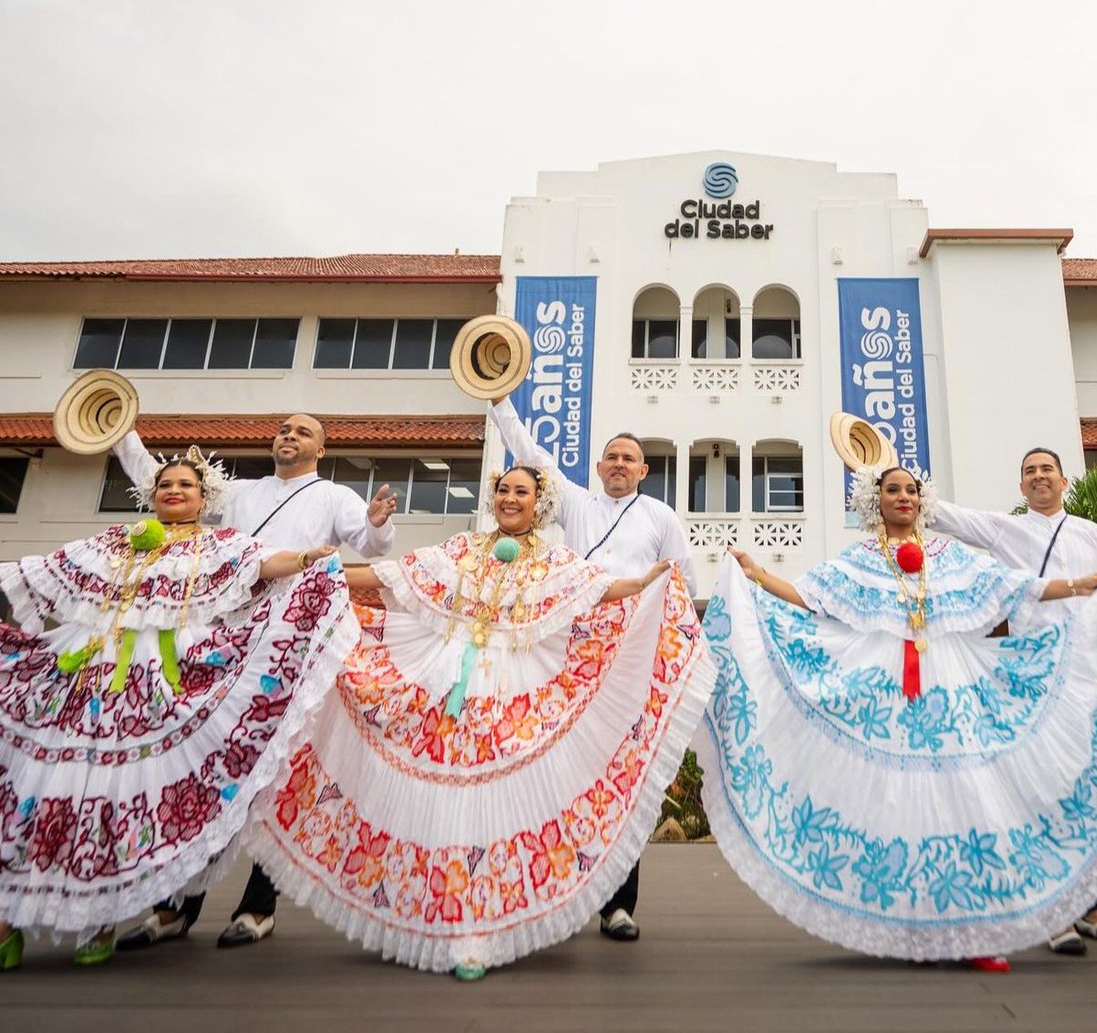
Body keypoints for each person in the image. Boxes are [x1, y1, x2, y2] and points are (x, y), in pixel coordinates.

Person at [243, 464, 716, 978]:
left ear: (541, 504)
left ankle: (482, 932)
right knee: (451, 809)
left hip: (515, 698)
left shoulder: (557, 561)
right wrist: (327, 571)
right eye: (504, 490)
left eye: (522, 492)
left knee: (495, 811)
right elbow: (393, 577)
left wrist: (646, 583)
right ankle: (451, 922)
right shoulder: (461, 549)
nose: (511, 498)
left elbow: (599, 591)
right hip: (447, 693)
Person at [699, 465, 1097, 970]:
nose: (903, 497)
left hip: (949, 690)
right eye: (892, 490)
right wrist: (756, 575)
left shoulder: (950, 557)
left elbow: (1012, 587)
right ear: (874, 501)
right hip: (885, 696)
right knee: (897, 805)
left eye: (911, 490)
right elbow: (808, 595)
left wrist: (1073, 585)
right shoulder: (859, 559)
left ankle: (975, 934)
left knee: (968, 801)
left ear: (922, 501)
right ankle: (908, 925)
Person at [0, 449, 357, 969]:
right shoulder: (114, 542)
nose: (174, 491)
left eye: (186, 485)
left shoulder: (218, 545)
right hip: (82, 678)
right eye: (165, 484)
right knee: (41, 790)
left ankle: (95, 923)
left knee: (109, 797)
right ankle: (8, 926)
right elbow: (45, 568)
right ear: (153, 494)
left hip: (158, 685)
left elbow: (263, 562)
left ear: (203, 497)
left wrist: (305, 560)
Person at [113, 413, 397, 950]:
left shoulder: (334, 496)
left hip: (293, 641)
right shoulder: (238, 491)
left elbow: (372, 544)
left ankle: (257, 908)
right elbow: (157, 480)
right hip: (222, 639)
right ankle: (175, 908)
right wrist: (121, 431)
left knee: (276, 773)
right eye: (284, 429)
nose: (289, 436)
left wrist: (378, 522)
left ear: (320, 447)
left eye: (302, 432)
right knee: (206, 769)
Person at [488, 395, 696, 942]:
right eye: (612, 457)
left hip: (633, 655)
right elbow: (528, 452)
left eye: (630, 458)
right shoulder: (576, 504)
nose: (620, 465)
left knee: (621, 777)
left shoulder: (662, 517)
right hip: (576, 652)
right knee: (567, 770)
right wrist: (498, 400)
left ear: (644, 471)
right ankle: (559, 894)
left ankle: (617, 906)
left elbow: (683, 589)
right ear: (599, 467)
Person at [930, 448, 1097, 955]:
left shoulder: (1091, 534)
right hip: (1030, 678)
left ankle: (1091, 908)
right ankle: (1050, 916)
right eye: (1029, 472)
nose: (1039, 477)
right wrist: (880, 468)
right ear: (1022, 487)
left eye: (1046, 470)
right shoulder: (1004, 530)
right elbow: (943, 513)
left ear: (1064, 481)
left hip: (1087, 673)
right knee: (1039, 789)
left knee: (1085, 792)